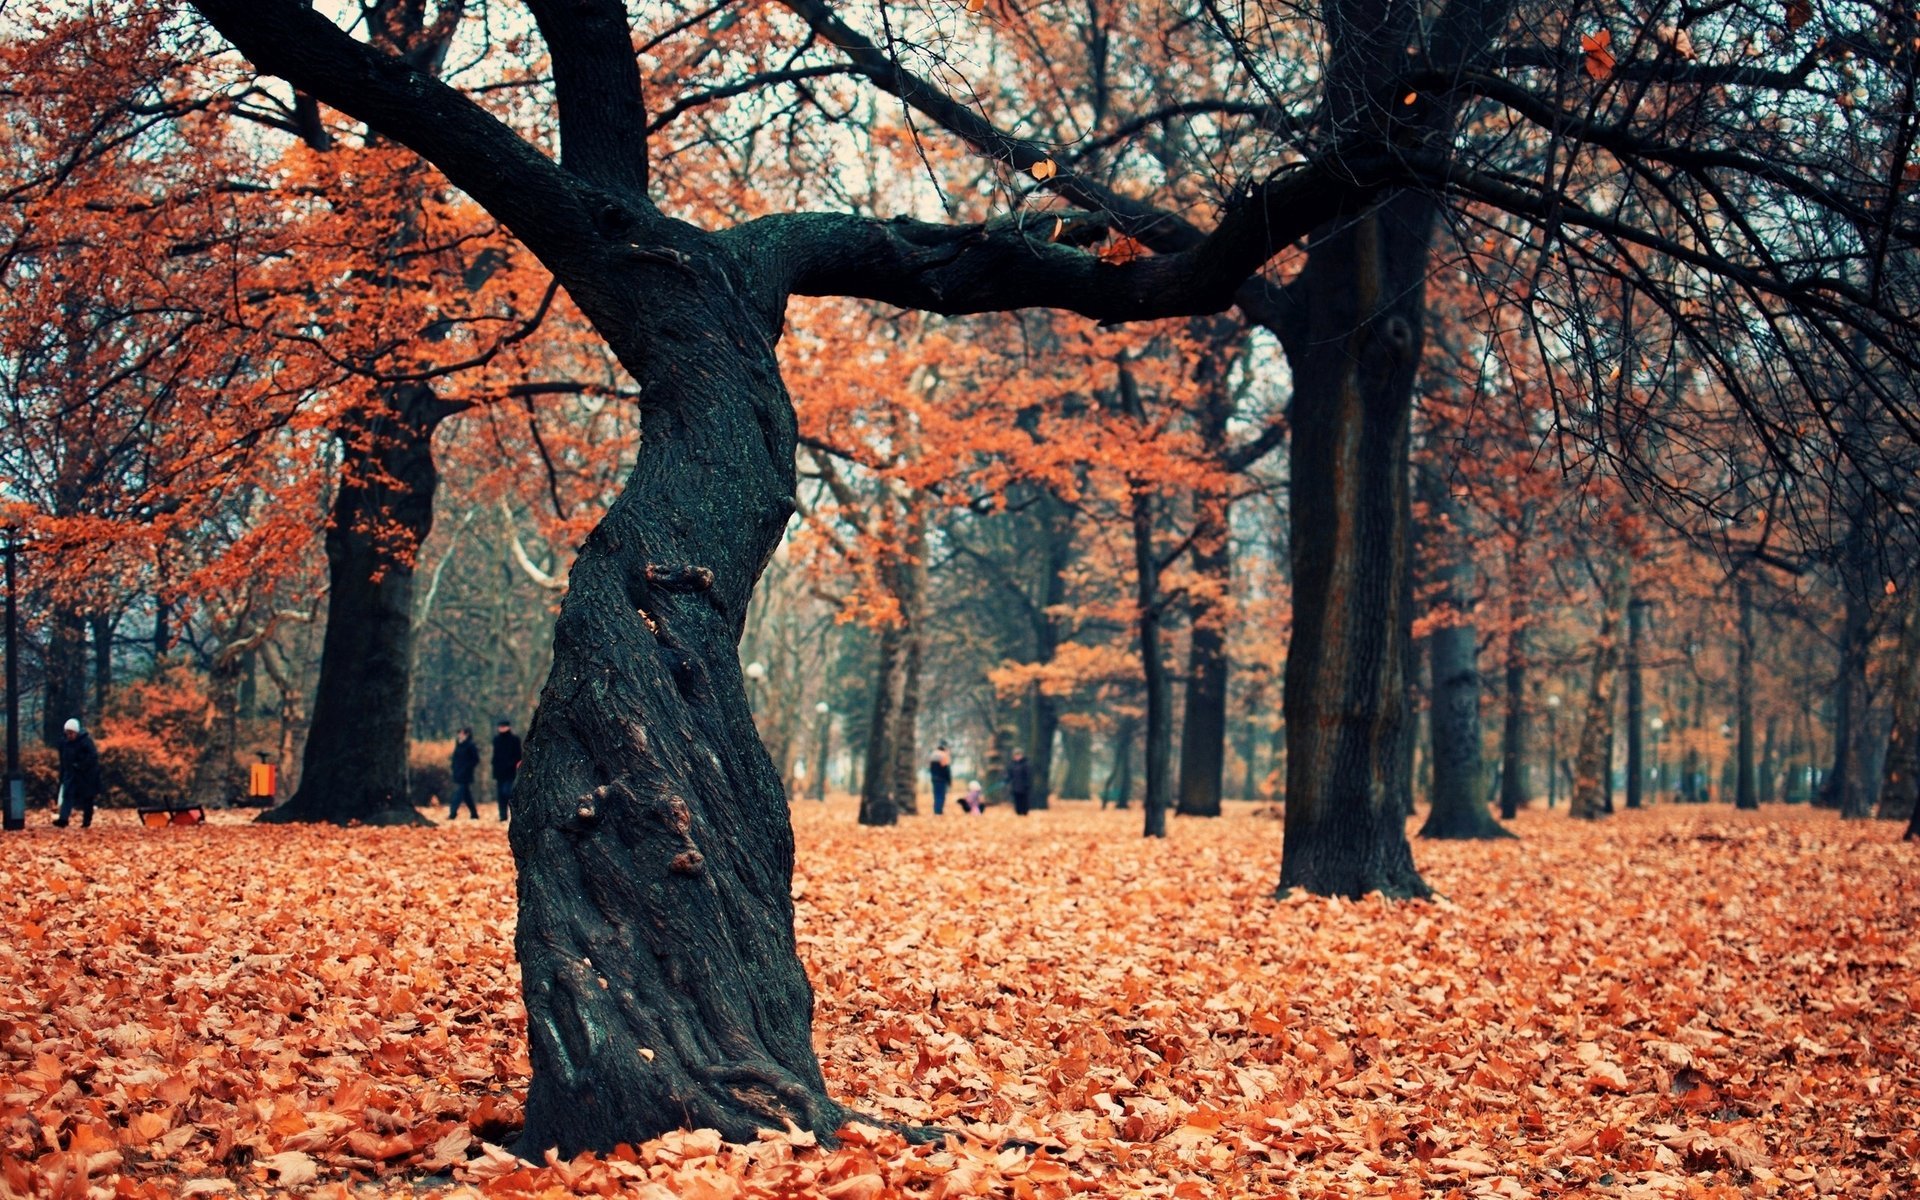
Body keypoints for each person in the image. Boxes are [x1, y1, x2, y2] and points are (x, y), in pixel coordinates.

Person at [54, 717, 102, 828]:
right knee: (67, 795)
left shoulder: (86, 741)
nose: (69, 736)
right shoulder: (64, 743)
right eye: (67, 733)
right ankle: (63, 819)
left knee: (87, 798)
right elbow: (63, 760)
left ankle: (86, 821)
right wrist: (63, 774)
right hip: (71, 773)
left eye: (71, 733)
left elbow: (92, 757)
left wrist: (80, 765)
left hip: (86, 775)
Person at [492, 718, 522, 821]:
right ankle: (503, 816)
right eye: (500, 727)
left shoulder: (514, 739)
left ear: (508, 727)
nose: (501, 728)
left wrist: (515, 764)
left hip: (510, 770)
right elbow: (495, 756)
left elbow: (518, 754)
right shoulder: (496, 740)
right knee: (500, 794)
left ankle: (515, 813)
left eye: (503, 726)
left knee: (507, 792)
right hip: (499, 771)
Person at [448, 728, 480, 819]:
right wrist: (454, 768)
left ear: (467, 734)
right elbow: (455, 759)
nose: (460, 735)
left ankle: (452, 813)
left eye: (463, 733)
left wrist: (467, 768)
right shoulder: (458, 744)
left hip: (466, 774)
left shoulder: (470, 745)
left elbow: (475, 759)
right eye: (459, 733)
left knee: (459, 793)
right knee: (466, 795)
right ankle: (474, 814)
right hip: (458, 772)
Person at [1007, 747, 1033, 816]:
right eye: (1016, 755)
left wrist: (1027, 784)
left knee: (1024, 801)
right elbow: (1009, 774)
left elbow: (1028, 775)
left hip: (1024, 786)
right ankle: (1018, 813)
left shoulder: (1026, 764)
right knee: (1017, 801)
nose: (1017, 756)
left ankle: (1024, 813)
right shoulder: (1012, 764)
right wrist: (1006, 779)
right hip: (1015, 786)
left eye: (1019, 755)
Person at [929, 742, 953, 815]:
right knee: (941, 795)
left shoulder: (932, 755)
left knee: (936, 795)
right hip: (942, 779)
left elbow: (930, 769)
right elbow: (946, 770)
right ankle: (939, 811)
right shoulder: (944, 755)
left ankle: (936, 810)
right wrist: (949, 781)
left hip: (934, 779)